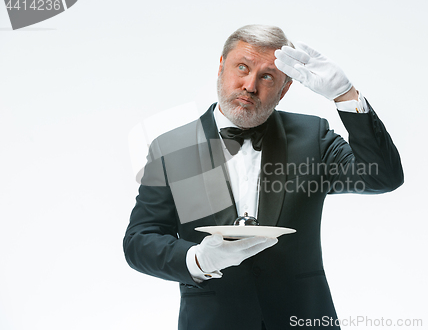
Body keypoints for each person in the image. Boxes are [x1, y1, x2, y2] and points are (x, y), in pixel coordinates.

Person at [123, 24, 403, 330]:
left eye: (267, 76)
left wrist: (345, 96)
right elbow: (139, 241)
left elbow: (383, 177)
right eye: (242, 67)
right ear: (221, 67)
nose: (250, 85)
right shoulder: (173, 148)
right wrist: (200, 259)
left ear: (284, 89)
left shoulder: (313, 137)